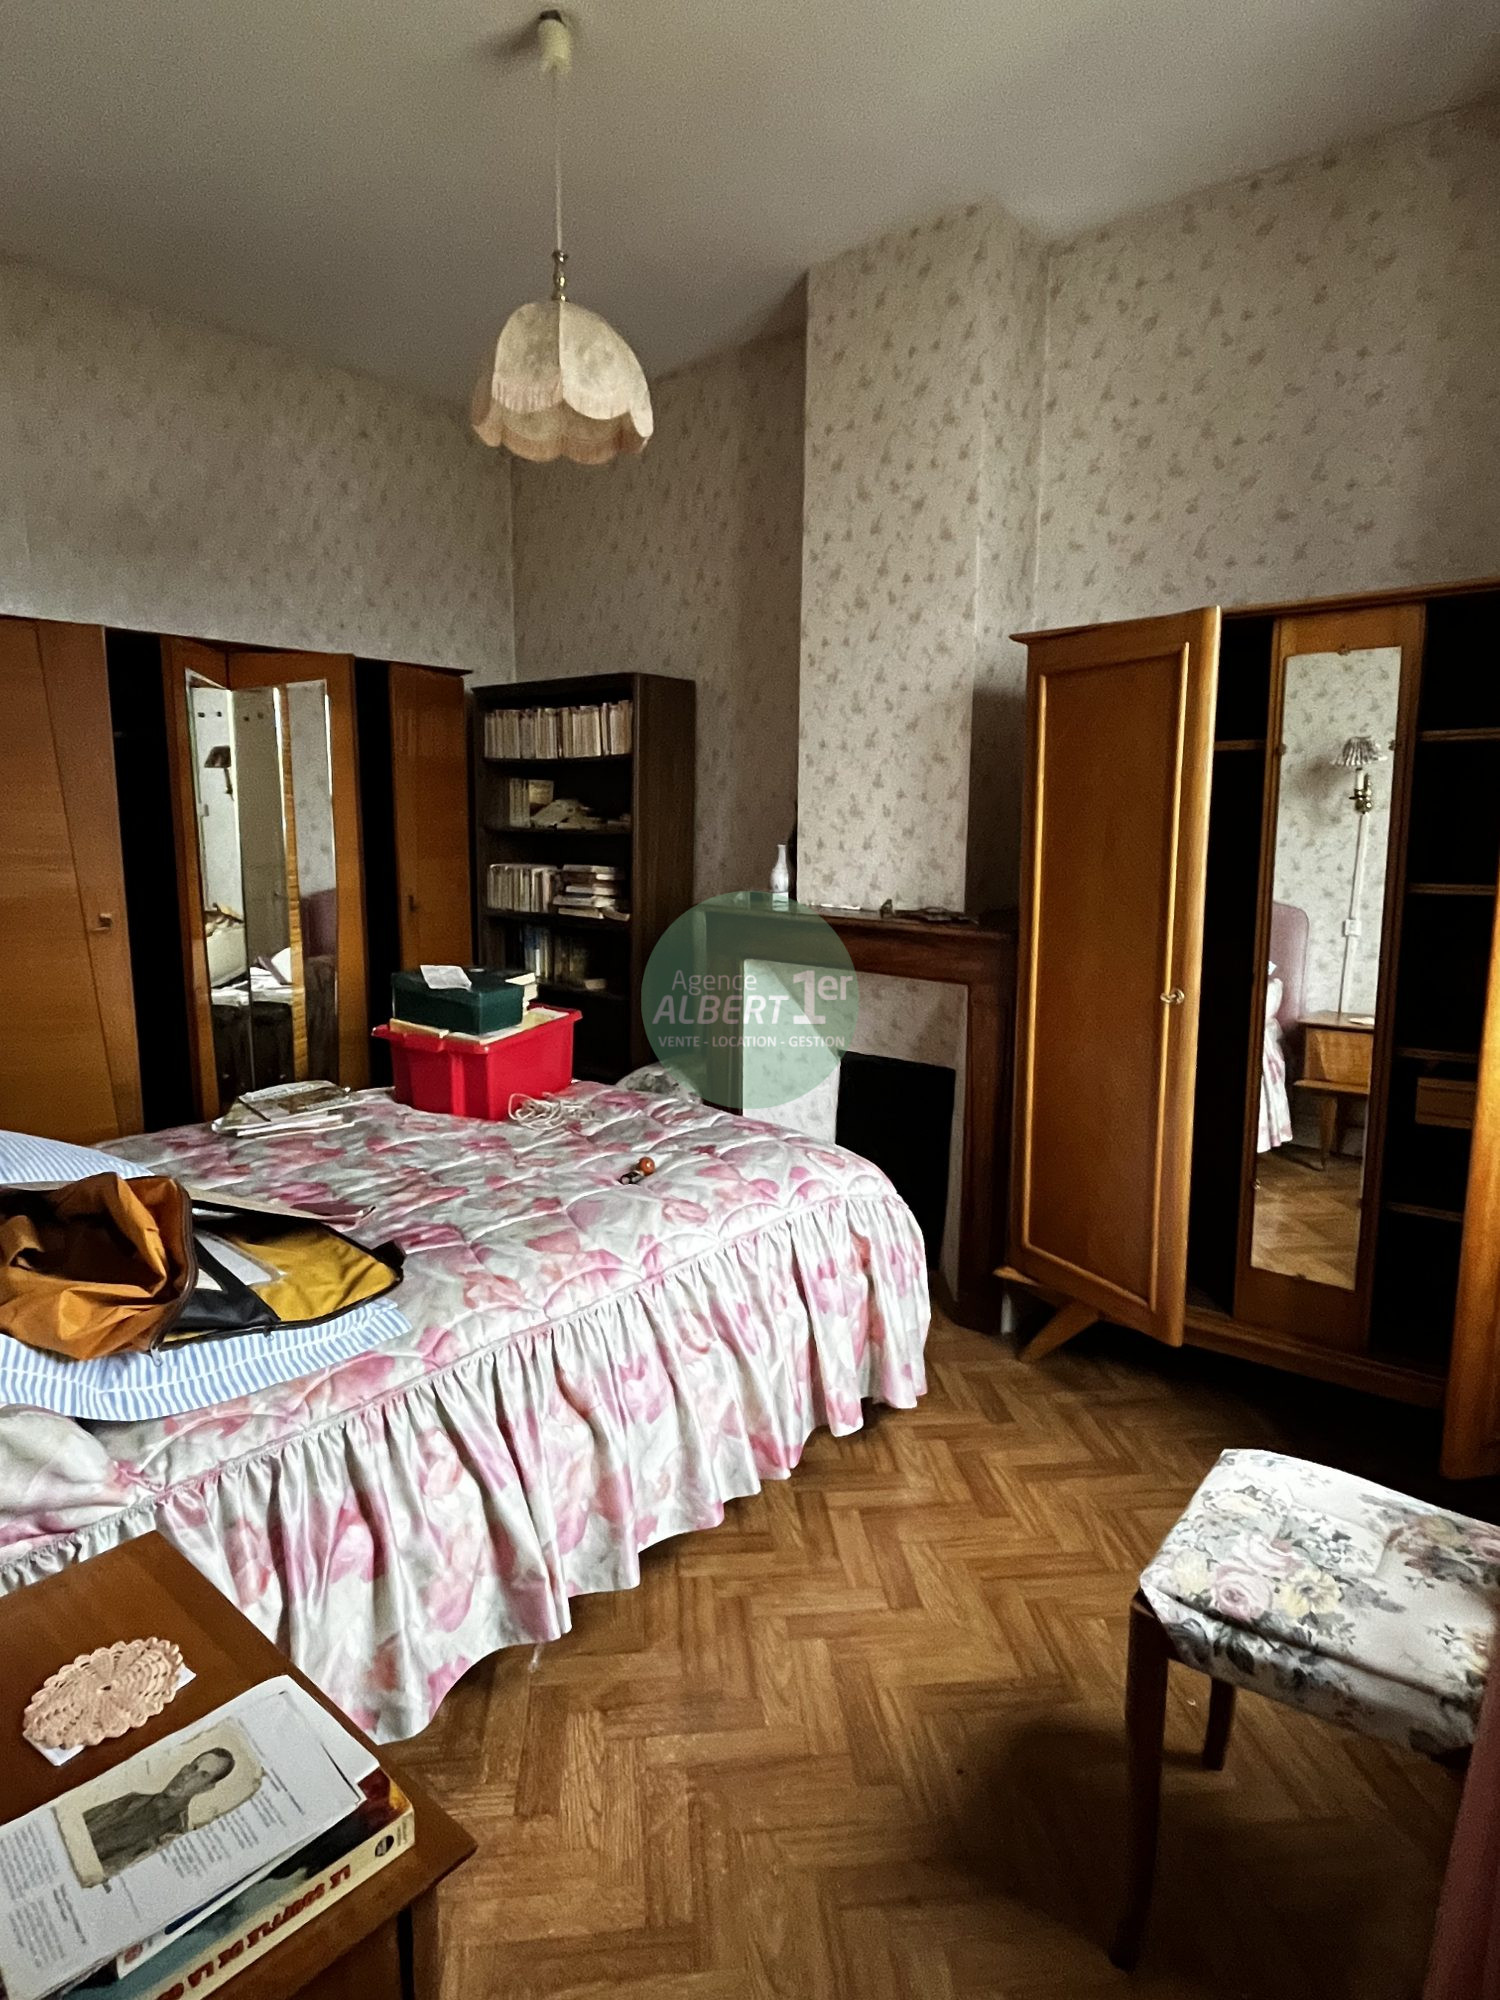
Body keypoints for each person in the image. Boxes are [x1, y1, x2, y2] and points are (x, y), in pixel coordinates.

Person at [81, 1747, 236, 1877]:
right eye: (193, 1767)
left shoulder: (172, 1835)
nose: (188, 1777)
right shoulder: (132, 1798)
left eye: (203, 1775)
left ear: (206, 1788)